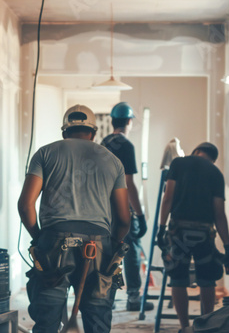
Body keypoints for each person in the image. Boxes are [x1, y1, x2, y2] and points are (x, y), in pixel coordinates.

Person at [18, 104, 131, 333]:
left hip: (55, 242)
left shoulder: (45, 153)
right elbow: (124, 219)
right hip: (98, 245)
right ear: (94, 132)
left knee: (47, 321)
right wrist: (114, 244)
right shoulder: (113, 161)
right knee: (98, 319)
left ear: (64, 131)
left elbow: (25, 204)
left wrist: (39, 238)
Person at [157, 142, 229, 333]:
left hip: (179, 231)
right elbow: (219, 213)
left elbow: (168, 197)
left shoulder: (179, 163)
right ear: (212, 159)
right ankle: (205, 325)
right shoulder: (216, 173)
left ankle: (185, 327)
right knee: (207, 279)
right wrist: (228, 245)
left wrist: (161, 228)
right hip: (204, 233)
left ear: (195, 151)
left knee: (178, 279)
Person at [101, 102, 154, 311]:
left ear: (112, 121)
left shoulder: (103, 143)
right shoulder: (127, 145)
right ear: (130, 121)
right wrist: (139, 215)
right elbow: (128, 183)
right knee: (131, 250)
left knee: (108, 252)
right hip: (122, 208)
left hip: (104, 209)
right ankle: (133, 299)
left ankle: (107, 297)